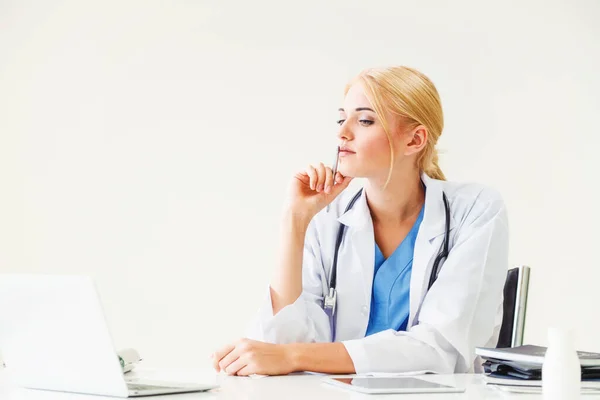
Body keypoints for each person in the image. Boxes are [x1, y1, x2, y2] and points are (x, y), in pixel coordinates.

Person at [211, 66, 509, 376]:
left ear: (415, 139)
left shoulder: (475, 209)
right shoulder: (328, 217)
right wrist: (294, 221)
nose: (342, 132)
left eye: (364, 120)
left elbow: (441, 349)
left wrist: (295, 355)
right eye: (342, 119)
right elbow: (278, 344)